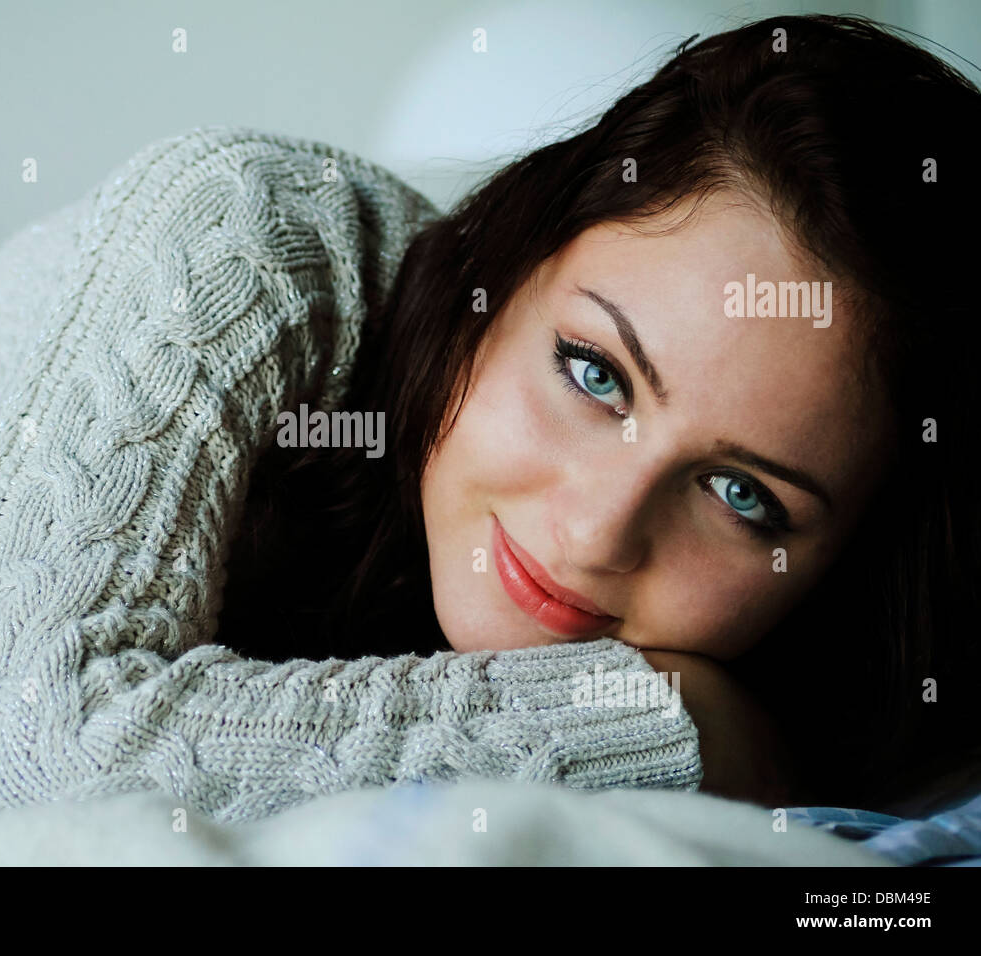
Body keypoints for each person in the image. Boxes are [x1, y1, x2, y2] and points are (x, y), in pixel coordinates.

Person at [218, 13, 981, 812]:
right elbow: (88, 745)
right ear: (511, 265)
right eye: (594, 375)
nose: (595, 536)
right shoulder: (249, 239)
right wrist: (686, 728)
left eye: (740, 496)